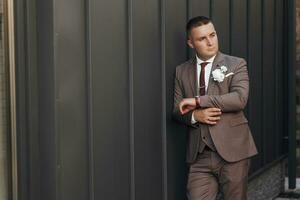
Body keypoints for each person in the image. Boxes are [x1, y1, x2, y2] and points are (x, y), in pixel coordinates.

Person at [172, 16, 258, 200]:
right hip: (199, 156)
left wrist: (198, 101)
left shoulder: (236, 64)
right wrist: (196, 116)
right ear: (191, 43)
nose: (210, 42)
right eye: (202, 38)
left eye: (213, 35)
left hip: (233, 152)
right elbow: (177, 111)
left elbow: (239, 99)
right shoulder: (182, 71)